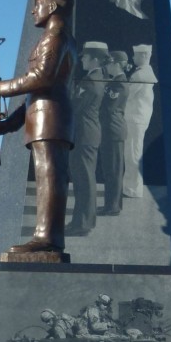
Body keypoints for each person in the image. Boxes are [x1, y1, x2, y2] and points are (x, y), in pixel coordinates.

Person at [0, 0, 76, 253]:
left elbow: (41, 78)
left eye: (38, 5)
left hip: (50, 117)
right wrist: (9, 125)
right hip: (43, 116)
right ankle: (45, 236)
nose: (34, 10)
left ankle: (46, 238)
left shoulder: (54, 37)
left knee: (49, 176)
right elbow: (34, 93)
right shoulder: (53, 37)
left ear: (53, 7)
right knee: (47, 176)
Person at [66, 42, 107, 235]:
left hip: (84, 134)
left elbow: (75, 106)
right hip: (87, 133)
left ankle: (83, 224)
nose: (82, 59)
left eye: (85, 57)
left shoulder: (91, 82)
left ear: (95, 59)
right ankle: (80, 222)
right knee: (82, 179)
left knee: (84, 180)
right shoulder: (96, 78)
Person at [123, 44, 157, 198]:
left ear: (144, 56)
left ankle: (133, 189)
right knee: (134, 153)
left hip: (134, 119)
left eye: (136, 55)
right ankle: (133, 187)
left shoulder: (139, 75)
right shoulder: (146, 72)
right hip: (139, 118)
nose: (133, 57)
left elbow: (126, 94)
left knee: (132, 154)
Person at [98, 50, 129, 215]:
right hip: (109, 130)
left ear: (117, 64)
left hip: (113, 130)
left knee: (114, 171)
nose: (107, 66)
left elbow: (109, 108)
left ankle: (113, 207)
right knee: (109, 170)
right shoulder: (113, 82)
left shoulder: (120, 83)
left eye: (109, 63)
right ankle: (111, 204)